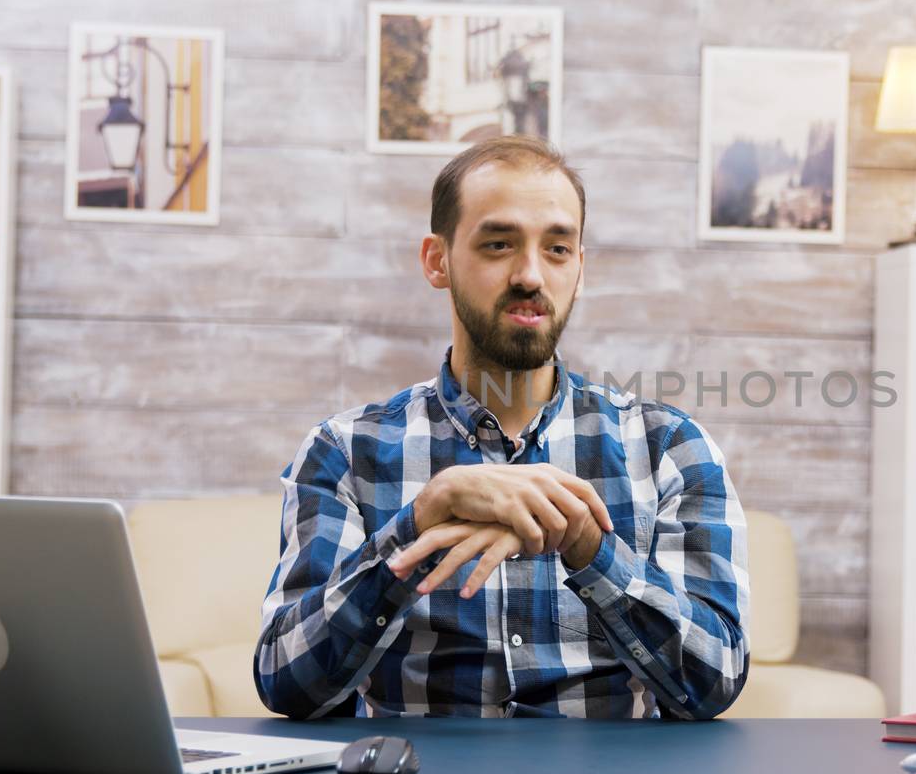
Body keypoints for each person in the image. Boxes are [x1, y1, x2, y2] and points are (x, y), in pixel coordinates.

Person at [253, 135, 750, 721]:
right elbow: (286, 682)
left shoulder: (668, 447)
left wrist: (590, 547)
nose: (530, 275)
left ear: (580, 268)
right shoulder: (346, 452)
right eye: (498, 244)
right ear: (437, 261)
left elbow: (716, 680)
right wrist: (416, 526)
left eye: (558, 249)